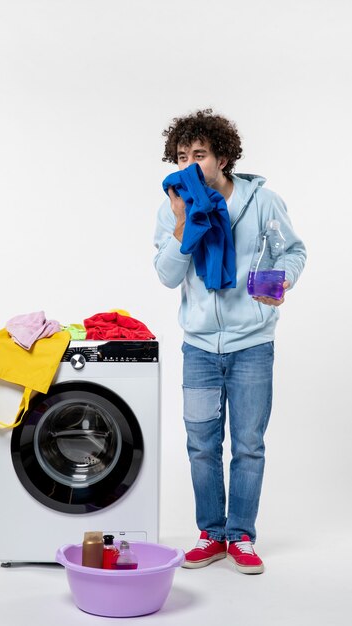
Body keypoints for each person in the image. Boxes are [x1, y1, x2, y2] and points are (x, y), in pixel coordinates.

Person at [154, 108, 306, 574]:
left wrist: (275, 285)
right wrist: (182, 226)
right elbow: (165, 275)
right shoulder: (174, 205)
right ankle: (210, 534)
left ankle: (240, 535)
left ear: (223, 157)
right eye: (182, 155)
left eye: (199, 154)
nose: (190, 163)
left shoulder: (261, 202)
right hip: (198, 346)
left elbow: (294, 250)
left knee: (247, 443)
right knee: (201, 443)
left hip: (252, 344)